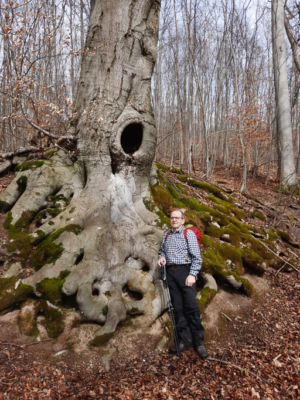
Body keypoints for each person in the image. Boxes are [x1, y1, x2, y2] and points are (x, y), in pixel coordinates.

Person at [158, 208, 208, 359]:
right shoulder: (166, 234)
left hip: (186, 273)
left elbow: (197, 257)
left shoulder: (189, 234)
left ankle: (199, 342)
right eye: (172, 217)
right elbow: (162, 251)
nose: (174, 220)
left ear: (183, 220)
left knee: (191, 307)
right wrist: (161, 258)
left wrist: (193, 274)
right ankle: (184, 340)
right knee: (178, 308)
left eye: (177, 218)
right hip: (171, 274)